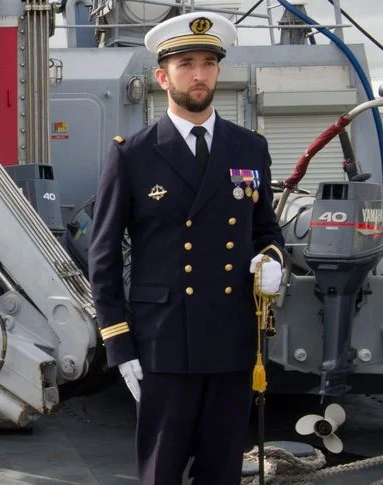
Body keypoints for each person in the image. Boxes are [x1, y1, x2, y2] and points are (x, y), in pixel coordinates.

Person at [87, 12, 285, 484]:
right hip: (162, 342)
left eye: (208, 63)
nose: (198, 74)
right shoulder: (133, 154)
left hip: (231, 338)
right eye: (186, 64)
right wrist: (118, 344)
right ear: (162, 76)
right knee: (162, 472)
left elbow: (266, 230)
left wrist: (273, 261)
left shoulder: (248, 148)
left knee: (221, 472)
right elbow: (104, 255)